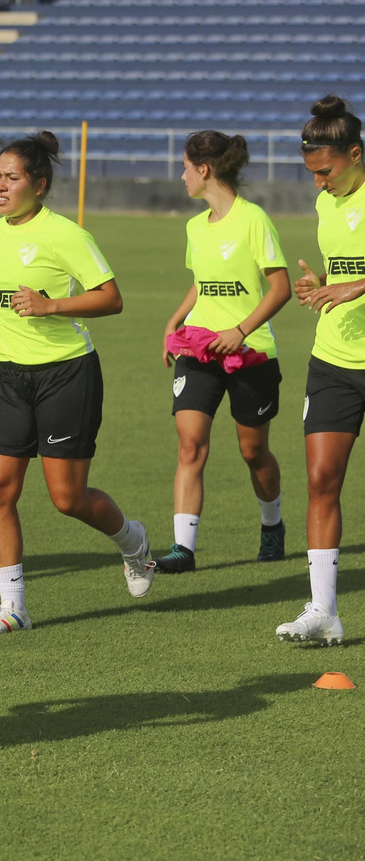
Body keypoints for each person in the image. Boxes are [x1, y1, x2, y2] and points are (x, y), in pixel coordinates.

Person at [0, 131, 154, 635]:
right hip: (7, 375)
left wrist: (51, 305)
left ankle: (134, 544)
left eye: (11, 178)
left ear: (38, 185)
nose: (0, 186)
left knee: (68, 498)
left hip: (66, 374)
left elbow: (111, 297)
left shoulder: (66, 235)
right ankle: (12, 606)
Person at [155, 131, 291, 574]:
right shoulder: (194, 226)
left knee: (253, 452)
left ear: (204, 170)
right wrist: (175, 321)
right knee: (190, 444)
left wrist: (241, 329)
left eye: (185, 167)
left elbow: (280, 288)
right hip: (200, 350)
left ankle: (272, 524)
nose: (181, 175)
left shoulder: (254, 220)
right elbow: (202, 284)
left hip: (251, 352)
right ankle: (183, 549)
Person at [285, 94, 365, 647]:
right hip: (334, 360)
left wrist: (355, 284)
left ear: (356, 153)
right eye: (311, 173)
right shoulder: (325, 205)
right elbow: (341, 271)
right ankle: (323, 610)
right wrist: (320, 288)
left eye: (326, 171)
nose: (318, 183)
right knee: (320, 480)